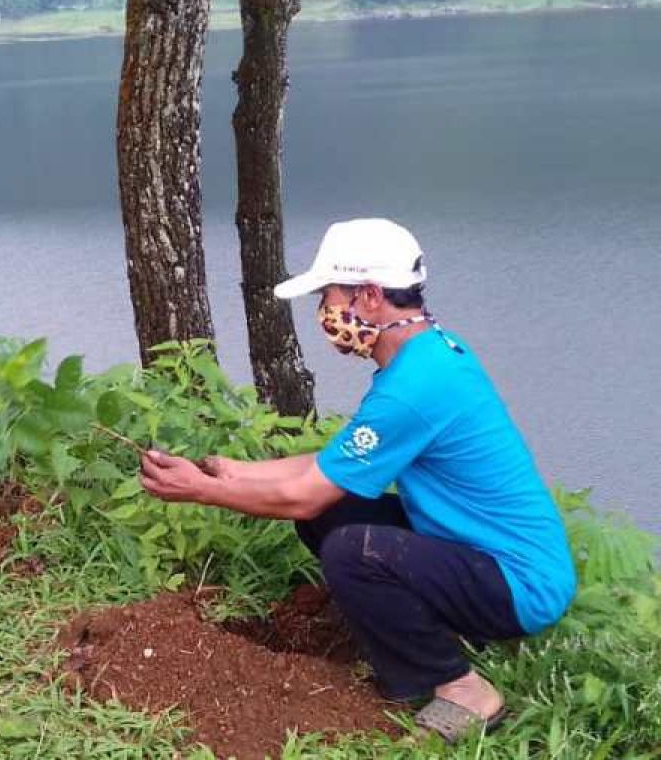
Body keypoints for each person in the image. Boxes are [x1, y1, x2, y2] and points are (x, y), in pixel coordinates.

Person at [138, 218, 576, 744]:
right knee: (333, 514)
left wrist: (203, 490)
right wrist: (235, 471)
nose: (325, 312)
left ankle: (465, 692)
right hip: (473, 551)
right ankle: (421, 628)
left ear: (370, 296)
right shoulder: (430, 352)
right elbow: (332, 466)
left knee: (352, 549)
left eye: (330, 296)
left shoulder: (415, 386)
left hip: (518, 583)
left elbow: (305, 492)